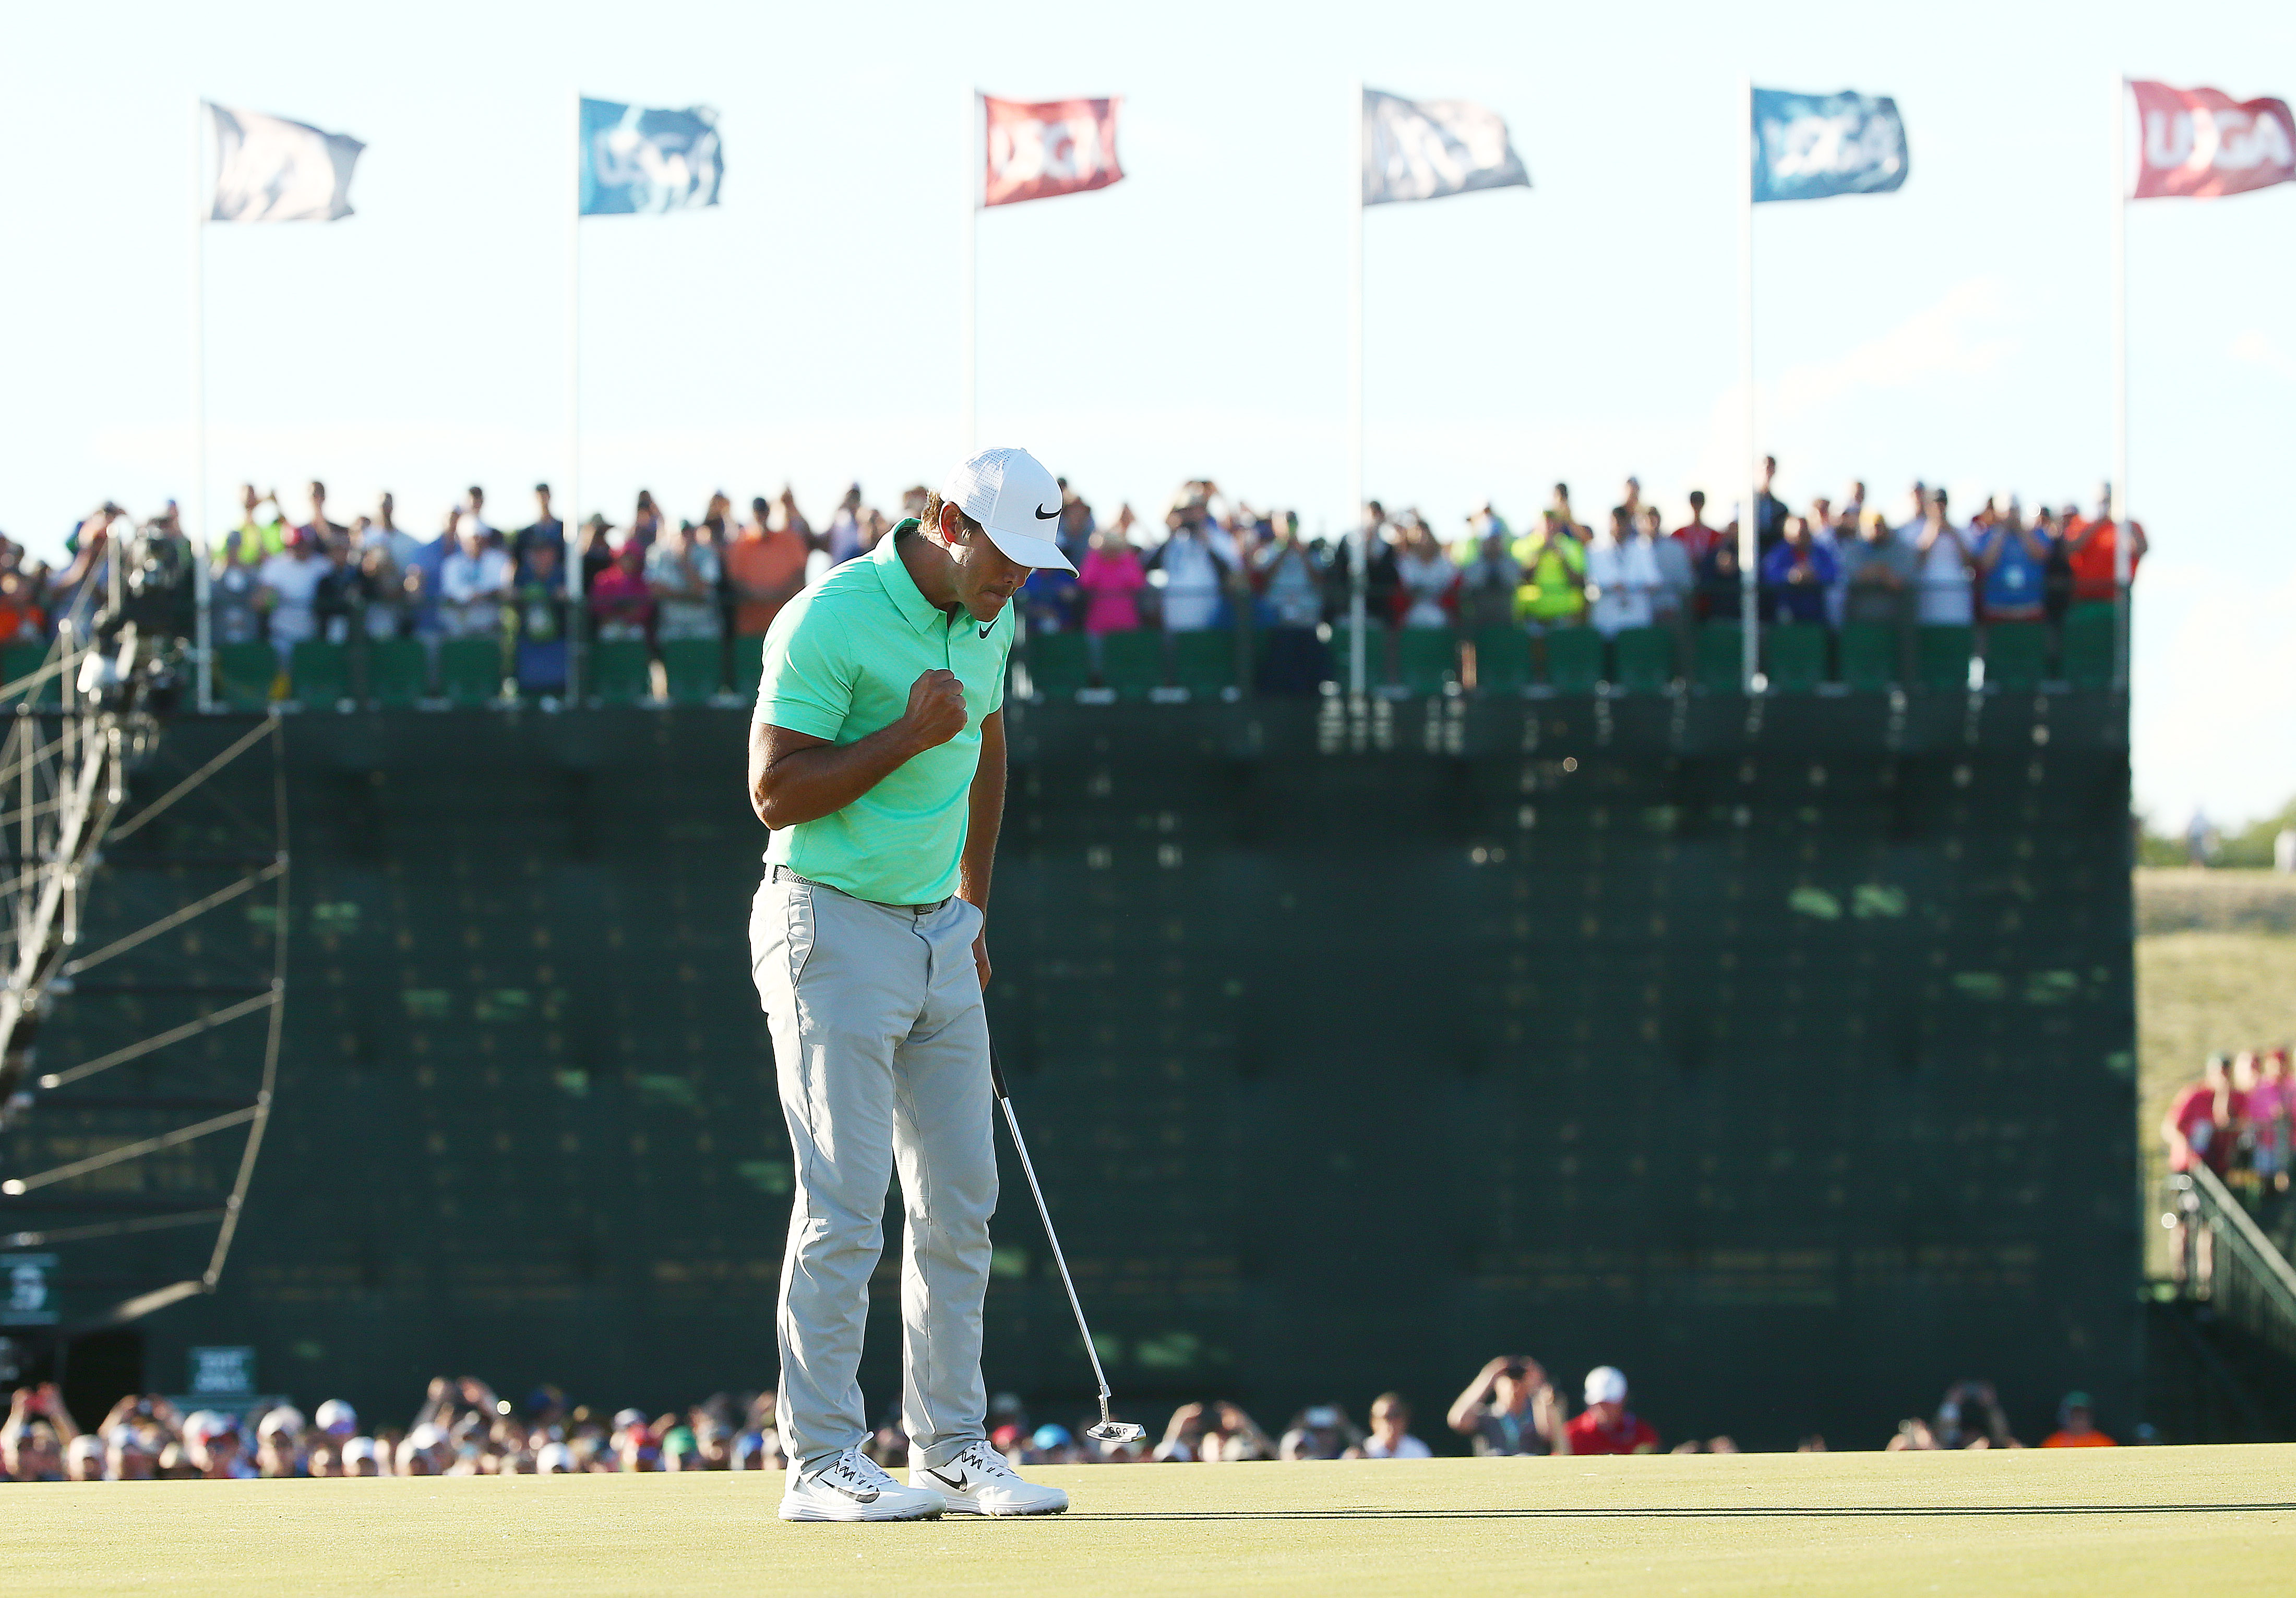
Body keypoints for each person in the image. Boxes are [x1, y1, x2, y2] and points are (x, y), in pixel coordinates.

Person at [746, 446, 1074, 1523]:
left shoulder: (994, 612)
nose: (1016, 580)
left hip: (941, 932)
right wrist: (903, 734)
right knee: (844, 1207)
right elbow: (773, 790)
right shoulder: (826, 617)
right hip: (827, 922)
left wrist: (974, 901)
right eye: (1004, 553)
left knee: (961, 1205)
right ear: (946, 517)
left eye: (1034, 562)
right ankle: (821, 1460)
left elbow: (984, 740)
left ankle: (949, 1445)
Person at [726, 497, 811, 640]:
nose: (761, 516)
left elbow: (800, 575)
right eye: (757, 512)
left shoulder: (789, 541)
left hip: (785, 624)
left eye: (763, 512)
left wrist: (777, 595)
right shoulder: (740, 544)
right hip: (750, 627)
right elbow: (735, 581)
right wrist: (761, 597)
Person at [1448, 1355, 1565, 1456]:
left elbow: (1549, 1435)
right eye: (1508, 1381)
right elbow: (1458, 1420)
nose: (1515, 1388)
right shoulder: (1487, 1416)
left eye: (1520, 1381)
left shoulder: (1536, 1414)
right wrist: (1487, 1378)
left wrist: (1538, 1386)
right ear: (1497, 1385)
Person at [1587, 505, 1659, 636]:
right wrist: (1611, 587)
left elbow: (1654, 582)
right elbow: (1592, 585)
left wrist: (1630, 587)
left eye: (1623, 522)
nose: (1619, 526)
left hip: (1637, 620)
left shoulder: (1643, 547)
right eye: (1616, 521)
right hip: (1607, 623)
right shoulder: (1595, 549)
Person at [1976, 499, 2051, 622]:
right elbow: (1986, 564)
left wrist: (2021, 530)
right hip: (1997, 609)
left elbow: (2041, 557)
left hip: (2030, 608)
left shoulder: (2037, 533)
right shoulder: (1988, 535)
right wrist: (2002, 531)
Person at [1759, 515, 1839, 626]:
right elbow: (1770, 574)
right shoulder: (1779, 552)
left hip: (1816, 612)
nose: (1802, 536)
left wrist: (1814, 575)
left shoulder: (1820, 551)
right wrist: (1791, 576)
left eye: (1805, 532)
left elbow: (1833, 572)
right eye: (1799, 533)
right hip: (1787, 610)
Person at [1909, 489, 1974, 625]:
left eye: (1943, 504)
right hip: (1929, 597)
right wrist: (1932, 534)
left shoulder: (1962, 531)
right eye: (1936, 504)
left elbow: (1970, 563)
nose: (1940, 508)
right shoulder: (1915, 530)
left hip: (1957, 598)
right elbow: (1914, 562)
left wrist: (1954, 536)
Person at [1562, 1366, 1658, 1455]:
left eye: (1610, 1403)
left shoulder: (1643, 1434)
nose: (1604, 1409)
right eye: (1599, 1403)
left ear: (1624, 1400)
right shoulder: (1571, 1434)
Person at [1358, 1393, 1432, 1459]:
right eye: (1385, 1417)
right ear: (1373, 1422)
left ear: (1405, 1420)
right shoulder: (1363, 1450)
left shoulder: (1418, 1451)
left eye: (1396, 1416)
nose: (1391, 1422)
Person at [2041, 1392, 2114, 1448]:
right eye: (2075, 1415)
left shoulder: (2104, 1443)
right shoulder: (2053, 1443)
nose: (2079, 1420)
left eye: (2082, 1415)